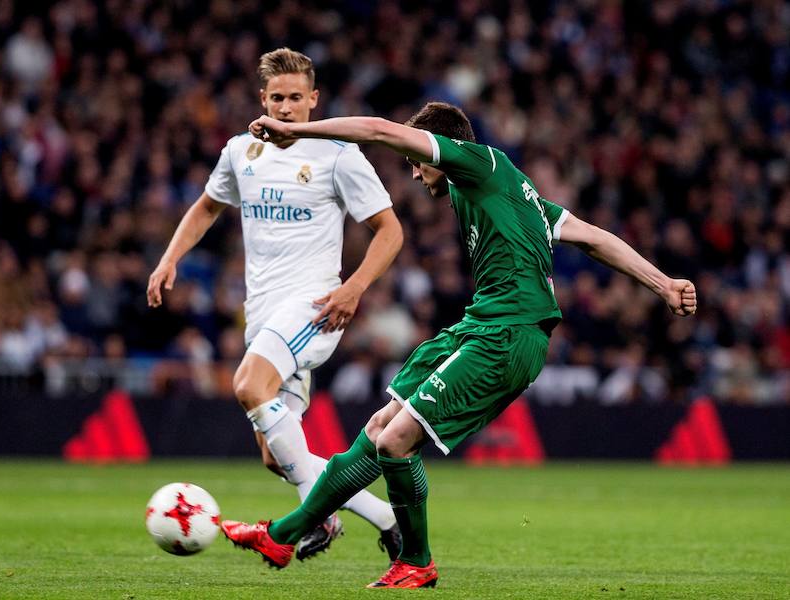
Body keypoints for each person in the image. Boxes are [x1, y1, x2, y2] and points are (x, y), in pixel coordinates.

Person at [221, 102, 698, 588]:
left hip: (509, 334)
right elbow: (593, 238)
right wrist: (662, 284)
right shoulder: (517, 193)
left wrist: (294, 130)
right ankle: (282, 536)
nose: (413, 172)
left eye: (416, 160)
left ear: (441, 149)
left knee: (396, 441)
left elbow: (378, 129)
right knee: (378, 429)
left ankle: (417, 561)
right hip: (481, 325)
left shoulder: (478, 161)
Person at [146, 48, 404, 561]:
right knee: (274, 455)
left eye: (296, 98)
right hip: (264, 317)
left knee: (247, 385)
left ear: (314, 100)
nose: (286, 108)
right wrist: (169, 258)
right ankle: (386, 518)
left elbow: (390, 231)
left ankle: (316, 518)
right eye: (277, 98)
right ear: (263, 99)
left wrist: (353, 288)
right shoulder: (241, 152)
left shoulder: (338, 154)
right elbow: (206, 207)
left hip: (315, 306)